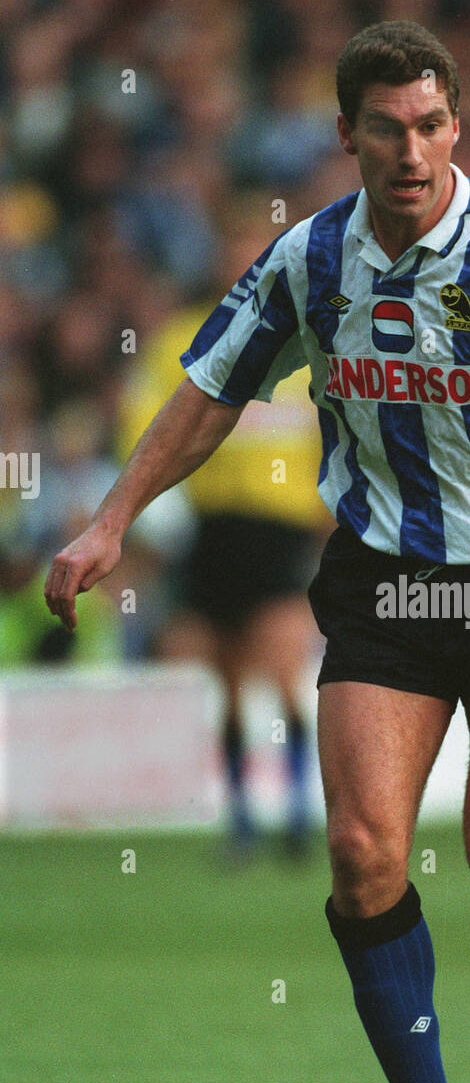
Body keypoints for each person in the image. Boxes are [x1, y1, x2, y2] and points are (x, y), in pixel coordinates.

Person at [45, 21, 470, 1083]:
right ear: (346, 136)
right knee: (365, 857)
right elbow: (211, 390)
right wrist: (110, 521)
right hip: (386, 579)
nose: (409, 150)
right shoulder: (309, 261)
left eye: (428, 124)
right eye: (385, 127)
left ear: (455, 127)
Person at [116, 212, 332, 857]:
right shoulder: (182, 340)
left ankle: (296, 811)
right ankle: (241, 817)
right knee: (231, 676)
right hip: (213, 528)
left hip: (282, 528)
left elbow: (339, 432)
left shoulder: (309, 342)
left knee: (284, 660)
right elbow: (143, 431)